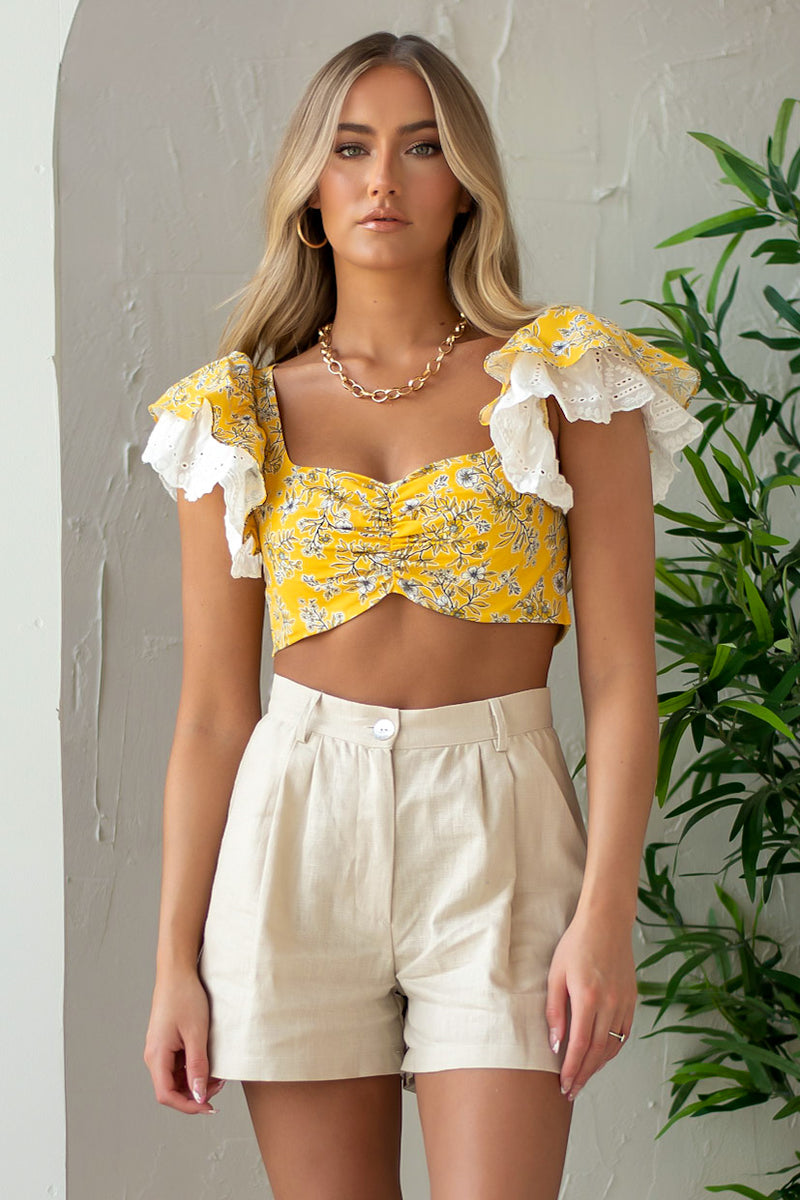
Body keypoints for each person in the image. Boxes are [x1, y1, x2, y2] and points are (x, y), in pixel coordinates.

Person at [141, 29, 702, 1200]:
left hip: (498, 828)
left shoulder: (565, 383)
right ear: (309, 189)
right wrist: (172, 966)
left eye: (421, 147)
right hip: (294, 829)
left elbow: (617, 679)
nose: (381, 180)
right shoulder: (234, 414)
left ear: (466, 187)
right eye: (349, 149)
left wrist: (604, 915)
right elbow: (212, 716)